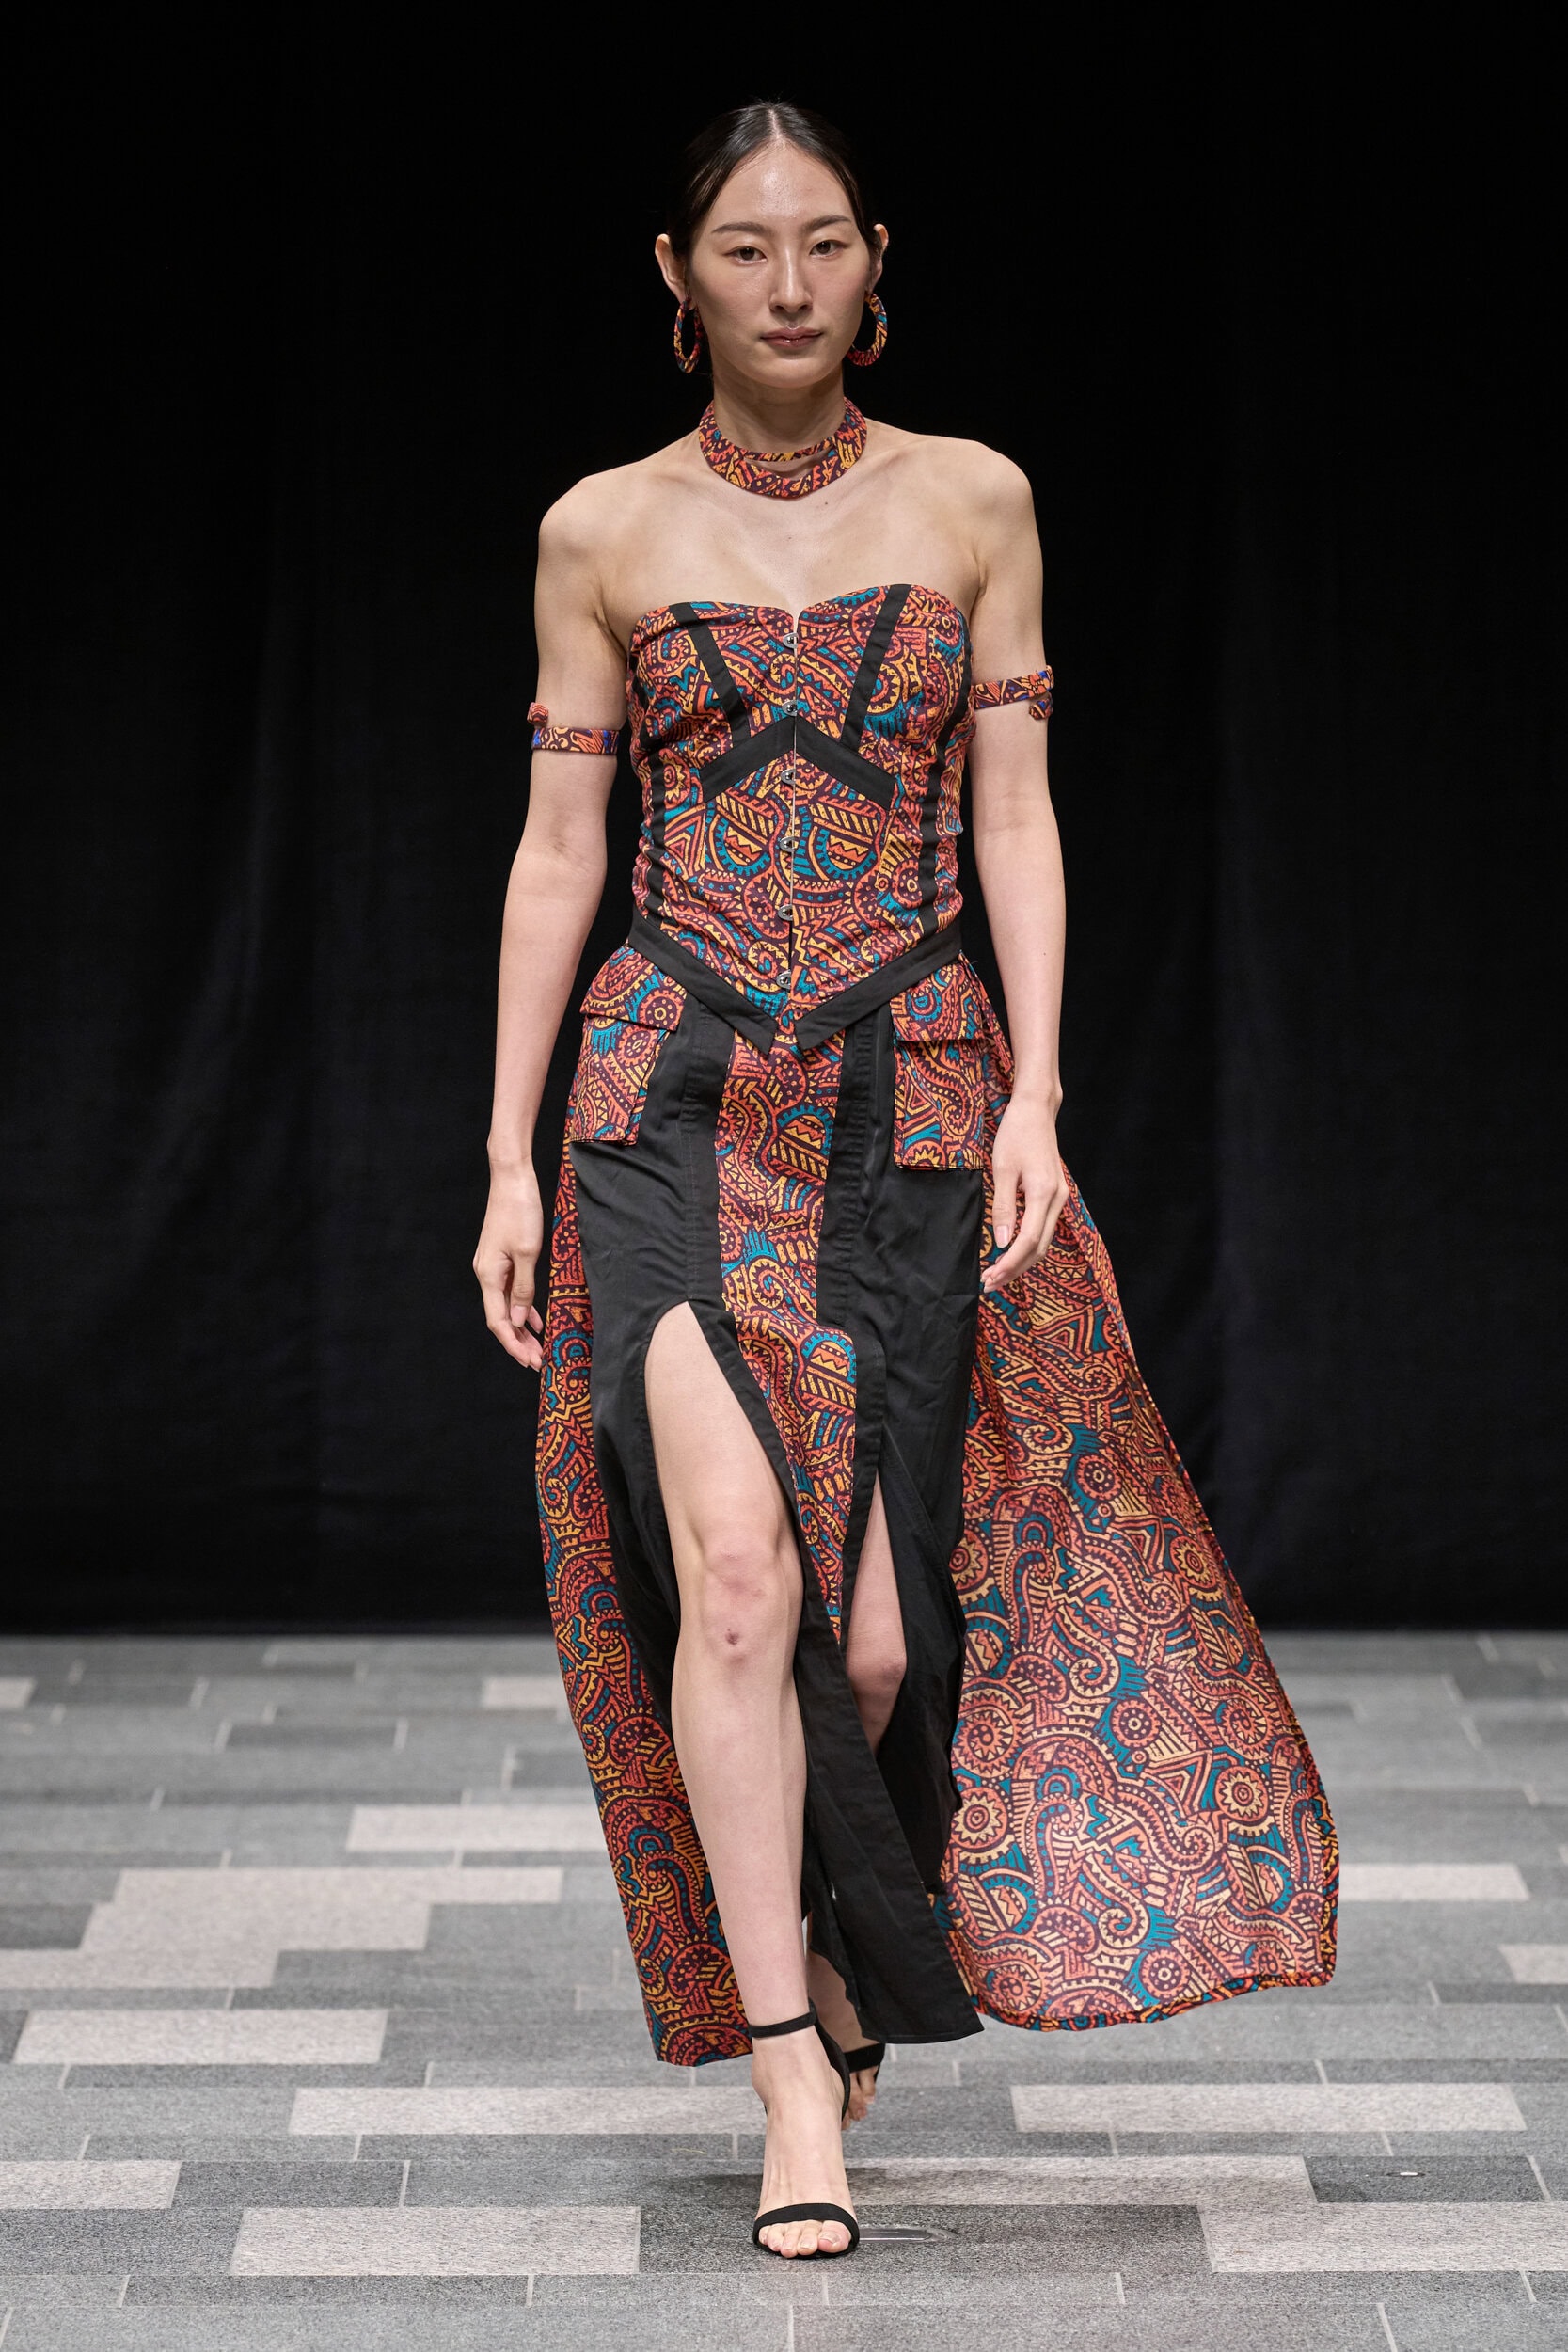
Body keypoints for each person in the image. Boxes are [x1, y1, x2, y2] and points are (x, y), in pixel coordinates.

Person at [475, 100, 1337, 2261]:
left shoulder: (973, 498)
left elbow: (1016, 814)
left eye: (826, 241)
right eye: (743, 246)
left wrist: (1041, 1088)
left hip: (914, 1090)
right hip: (667, 1090)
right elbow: (562, 847)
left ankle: (844, 1952)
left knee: (869, 1643)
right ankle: (791, 2069)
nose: (787, 283)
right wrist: (504, 1149)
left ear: (879, 263)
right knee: (734, 1579)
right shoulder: (602, 527)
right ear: (673, 277)